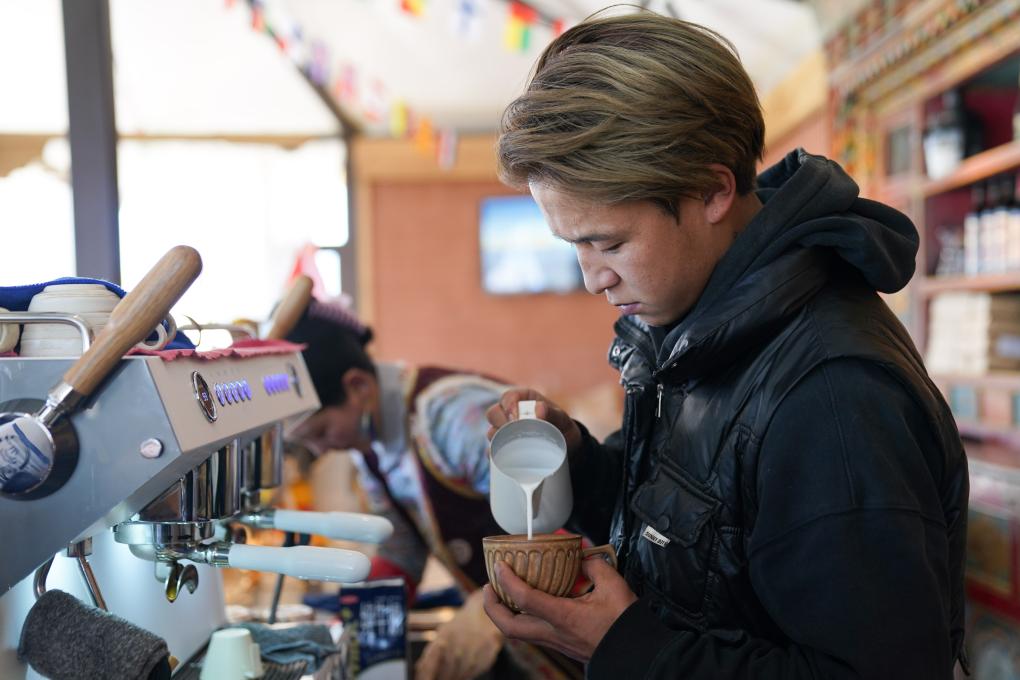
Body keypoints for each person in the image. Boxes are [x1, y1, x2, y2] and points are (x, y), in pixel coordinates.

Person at [481, 11, 968, 680]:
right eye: (575, 247)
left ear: (712, 190)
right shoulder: (698, 331)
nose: (593, 278)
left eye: (610, 243)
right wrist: (581, 465)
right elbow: (705, 534)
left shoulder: (831, 397)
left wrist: (628, 649)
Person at [285, 298, 578, 680]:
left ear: (357, 386)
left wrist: (482, 616)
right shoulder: (369, 445)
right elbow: (401, 548)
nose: (320, 451)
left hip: (581, 619)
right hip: (532, 635)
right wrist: (359, 626)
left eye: (322, 432)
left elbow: (554, 522)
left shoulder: (450, 418)